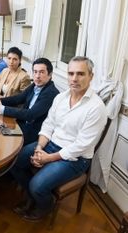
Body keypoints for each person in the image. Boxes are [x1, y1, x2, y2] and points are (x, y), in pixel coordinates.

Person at [9, 56, 107, 222]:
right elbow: (48, 125)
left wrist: (49, 158)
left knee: (37, 186)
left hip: (75, 158)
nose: (74, 78)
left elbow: (81, 146)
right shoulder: (60, 98)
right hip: (50, 145)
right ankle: (33, 196)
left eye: (80, 74)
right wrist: (39, 148)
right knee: (14, 162)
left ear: (91, 76)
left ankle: (46, 205)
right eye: (71, 73)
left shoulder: (96, 108)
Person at [0, 57, 59, 145]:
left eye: (42, 72)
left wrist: (1, 108)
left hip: (33, 133)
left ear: (50, 75)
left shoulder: (51, 93)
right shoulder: (35, 85)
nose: (37, 76)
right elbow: (18, 98)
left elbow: (30, 115)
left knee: (1, 140)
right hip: (22, 125)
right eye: (35, 72)